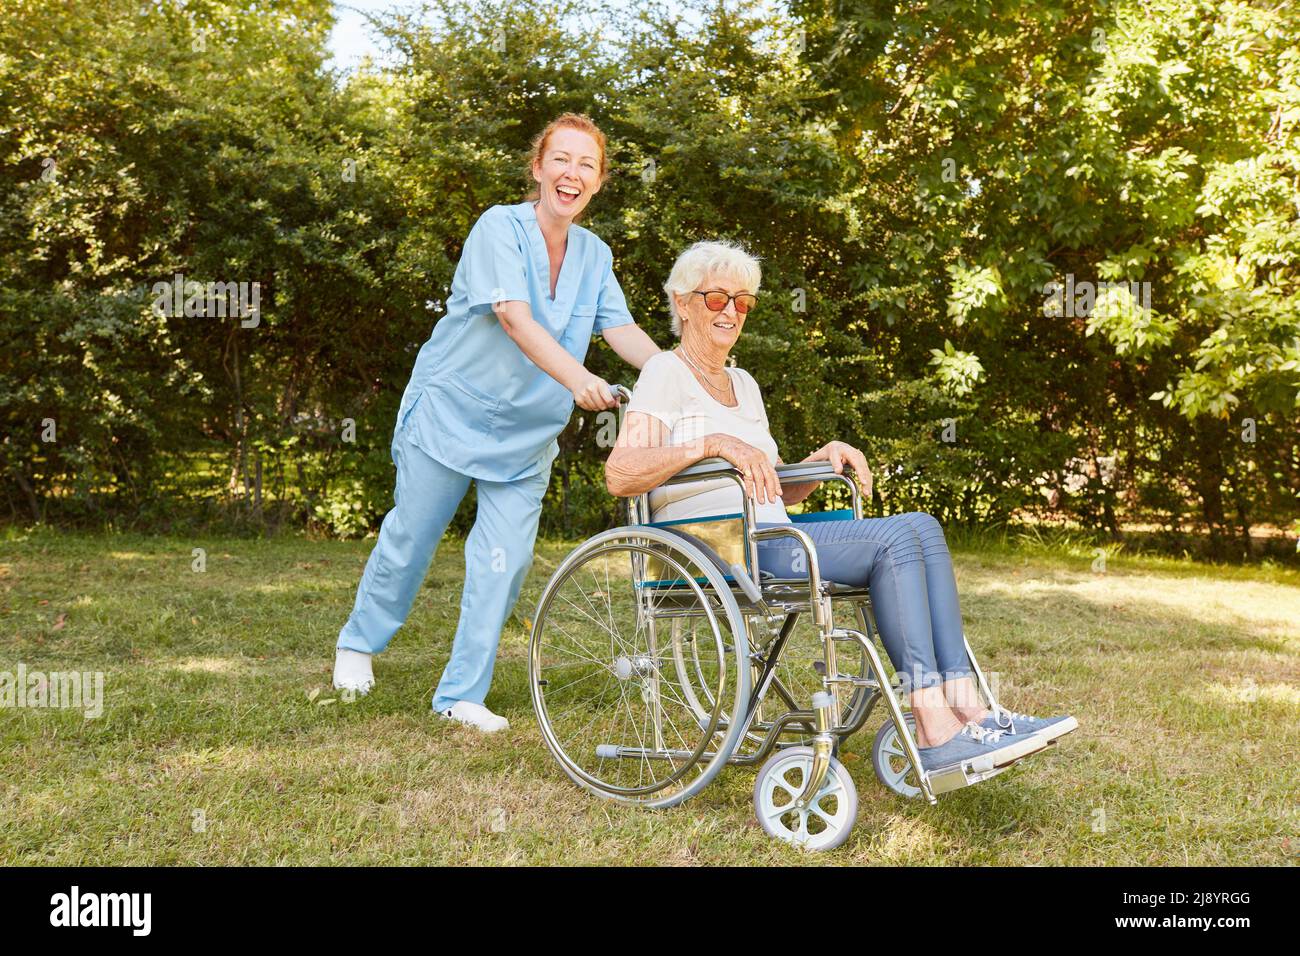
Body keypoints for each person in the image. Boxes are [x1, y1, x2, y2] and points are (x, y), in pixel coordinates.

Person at [604, 240, 1076, 774]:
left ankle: (969, 708)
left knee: (921, 526)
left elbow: (776, 488)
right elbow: (621, 473)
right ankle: (933, 723)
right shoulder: (665, 372)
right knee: (896, 539)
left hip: (771, 535)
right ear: (683, 303)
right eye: (716, 299)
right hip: (718, 547)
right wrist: (710, 443)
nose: (732, 311)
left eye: (744, 301)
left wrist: (819, 460)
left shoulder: (745, 384)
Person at [333, 113, 660, 732]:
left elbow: (618, 328)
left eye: (587, 165)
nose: (572, 173)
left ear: (598, 183)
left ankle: (461, 695)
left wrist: (674, 374)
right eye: (561, 160)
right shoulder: (497, 228)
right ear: (538, 168)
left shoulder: (595, 255)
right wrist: (579, 381)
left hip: (527, 433)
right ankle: (358, 644)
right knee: (411, 539)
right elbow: (513, 315)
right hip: (452, 412)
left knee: (502, 561)